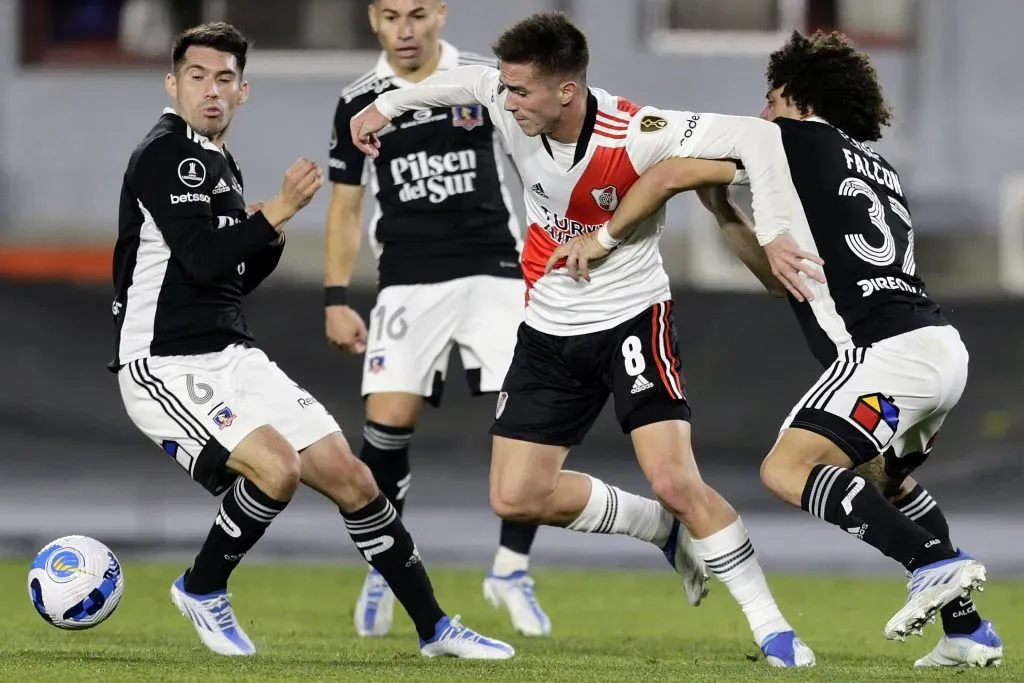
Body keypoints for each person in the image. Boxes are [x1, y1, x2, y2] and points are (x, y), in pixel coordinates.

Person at [350, 12, 819, 667]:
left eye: (521, 92)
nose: (506, 102)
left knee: (677, 480)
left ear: (565, 91)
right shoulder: (505, 98)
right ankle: (659, 529)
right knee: (514, 497)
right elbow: (454, 83)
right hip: (547, 326)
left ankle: (773, 627)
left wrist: (772, 231)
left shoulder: (638, 130)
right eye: (506, 89)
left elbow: (755, 139)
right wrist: (388, 104)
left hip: (632, 319)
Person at [552, 30, 998, 666]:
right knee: (886, 483)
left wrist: (599, 242)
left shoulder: (781, 138)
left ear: (795, 95)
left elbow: (670, 170)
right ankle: (968, 631)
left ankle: (933, 563)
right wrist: (723, 210)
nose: (761, 112)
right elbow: (778, 278)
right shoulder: (878, 170)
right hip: (938, 348)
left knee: (784, 471)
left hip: (883, 350)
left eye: (770, 97)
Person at [110, 21, 513, 660]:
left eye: (223, 79)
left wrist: (264, 236)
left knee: (353, 478)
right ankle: (201, 585)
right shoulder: (166, 153)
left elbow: (234, 276)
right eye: (196, 77)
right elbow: (201, 257)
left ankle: (435, 628)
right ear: (172, 84)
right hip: (165, 364)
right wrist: (278, 212)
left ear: (244, 91)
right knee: (278, 468)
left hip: (231, 355)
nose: (210, 91)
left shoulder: (218, 161)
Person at [324, 0, 550, 638]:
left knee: (532, 416)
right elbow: (346, 208)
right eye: (391, 14)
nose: (405, 28)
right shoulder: (358, 100)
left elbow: (533, 166)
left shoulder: (485, 81)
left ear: (441, 15)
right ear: (373, 19)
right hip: (406, 281)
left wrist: (550, 248)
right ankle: (385, 566)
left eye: (418, 13)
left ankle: (511, 567)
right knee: (385, 429)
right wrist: (335, 297)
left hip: (493, 273)